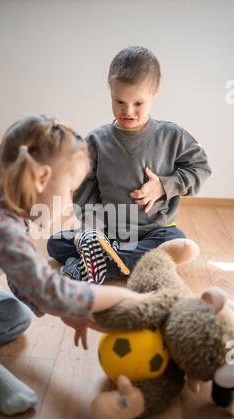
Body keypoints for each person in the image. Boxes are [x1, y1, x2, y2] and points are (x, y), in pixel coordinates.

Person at [0, 115, 150, 416]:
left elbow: (27, 282)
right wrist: (130, 296)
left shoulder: (8, 216)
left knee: (14, 314)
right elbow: (52, 290)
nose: (68, 203)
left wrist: (67, 312)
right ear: (42, 179)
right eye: (70, 190)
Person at [47, 46, 212, 280]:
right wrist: (91, 228)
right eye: (120, 101)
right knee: (56, 244)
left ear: (155, 92)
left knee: (176, 242)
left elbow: (201, 168)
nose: (128, 111)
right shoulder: (96, 141)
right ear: (110, 92)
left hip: (155, 231)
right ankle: (124, 261)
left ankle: (88, 266)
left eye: (138, 103)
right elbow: (85, 191)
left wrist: (165, 185)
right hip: (109, 231)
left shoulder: (172, 136)